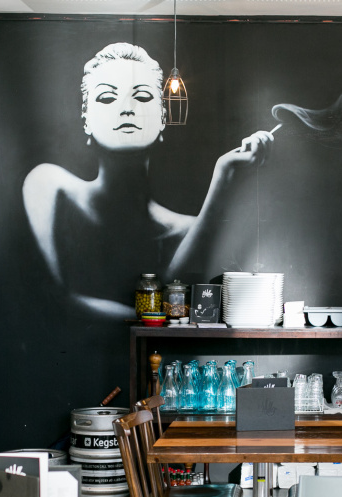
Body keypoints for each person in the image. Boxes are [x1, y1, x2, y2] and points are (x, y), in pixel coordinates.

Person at [23, 42, 274, 318]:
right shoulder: (49, 186)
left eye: (142, 97)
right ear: (86, 120)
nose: (127, 109)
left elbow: (173, 305)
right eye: (107, 98)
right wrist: (153, 319)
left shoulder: (186, 231)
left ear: (163, 118)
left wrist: (223, 175)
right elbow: (56, 302)